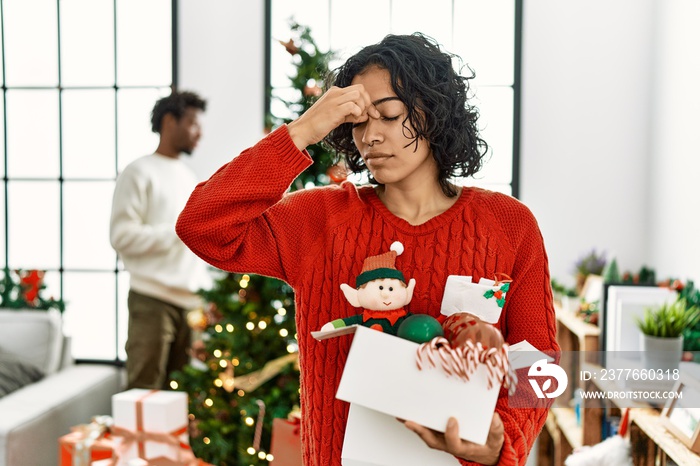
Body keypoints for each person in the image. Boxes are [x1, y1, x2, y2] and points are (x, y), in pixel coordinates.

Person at [176, 33, 559, 465]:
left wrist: (504, 440)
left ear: (435, 113)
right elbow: (202, 225)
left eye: (389, 115)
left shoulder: (509, 225)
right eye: (358, 122)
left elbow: (538, 361)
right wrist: (302, 130)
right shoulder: (319, 218)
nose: (370, 137)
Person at [110, 90, 213, 390]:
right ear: (170, 122)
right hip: (152, 301)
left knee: (179, 398)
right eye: (193, 123)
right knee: (144, 392)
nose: (200, 132)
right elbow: (121, 236)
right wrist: (177, 231)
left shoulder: (189, 176)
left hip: (190, 305)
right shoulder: (138, 172)